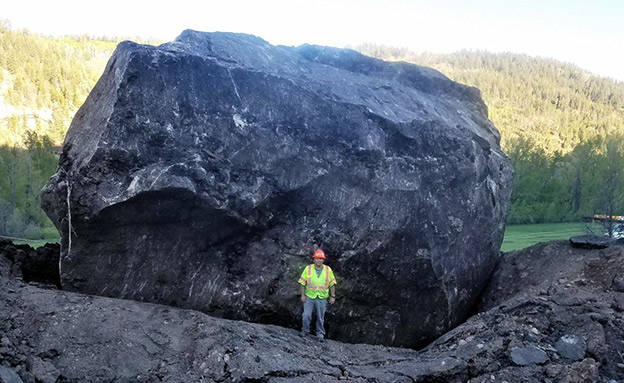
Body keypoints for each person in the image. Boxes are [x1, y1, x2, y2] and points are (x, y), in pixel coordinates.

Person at [298, 248, 337, 341]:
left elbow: (332, 284)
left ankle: (320, 334)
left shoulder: (328, 270)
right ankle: (305, 331)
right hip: (310, 296)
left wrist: (332, 296)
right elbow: (302, 283)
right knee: (306, 315)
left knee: (320, 317)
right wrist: (303, 295)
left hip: (322, 297)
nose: (319, 260)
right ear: (314, 259)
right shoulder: (308, 268)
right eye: (317, 258)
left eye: (321, 259)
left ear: (323, 260)